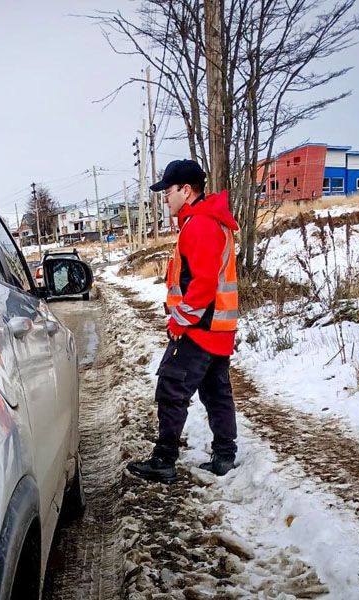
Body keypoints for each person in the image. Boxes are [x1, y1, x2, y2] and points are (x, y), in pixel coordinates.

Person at [126, 159, 239, 484]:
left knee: (171, 388)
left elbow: (202, 285)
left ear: (186, 190)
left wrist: (179, 322)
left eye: (168, 191)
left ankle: (164, 460)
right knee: (216, 392)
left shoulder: (200, 225)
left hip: (199, 327)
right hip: (217, 327)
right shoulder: (207, 220)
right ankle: (224, 456)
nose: (165, 198)